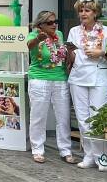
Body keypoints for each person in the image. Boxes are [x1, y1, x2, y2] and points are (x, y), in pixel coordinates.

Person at [67, 0, 107, 172]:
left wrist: (101, 52)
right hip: (78, 77)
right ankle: (89, 155)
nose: (83, 14)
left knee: (97, 118)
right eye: (81, 10)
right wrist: (65, 52)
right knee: (82, 119)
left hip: (100, 78)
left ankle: (103, 156)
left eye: (87, 10)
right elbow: (71, 56)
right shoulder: (73, 31)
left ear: (95, 13)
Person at [26, 10, 76, 165]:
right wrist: (38, 39)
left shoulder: (59, 35)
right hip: (39, 79)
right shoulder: (34, 35)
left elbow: (62, 55)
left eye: (55, 22)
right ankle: (37, 149)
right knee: (38, 116)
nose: (54, 25)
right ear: (40, 25)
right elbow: (29, 45)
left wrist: (70, 52)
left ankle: (65, 150)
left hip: (60, 79)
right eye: (50, 23)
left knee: (63, 116)